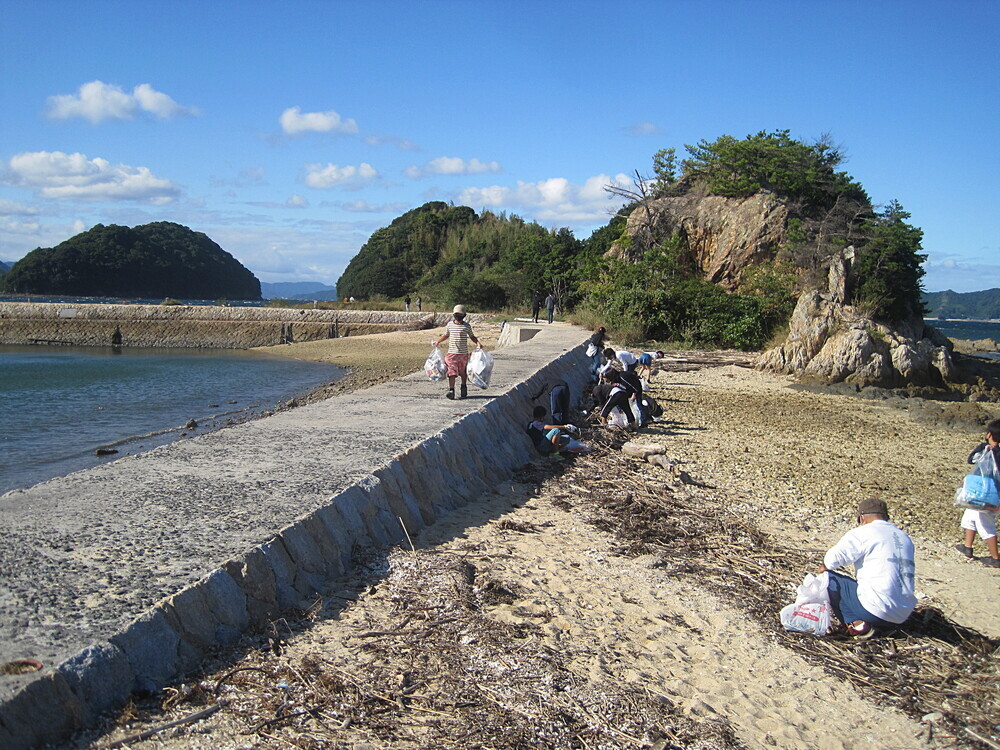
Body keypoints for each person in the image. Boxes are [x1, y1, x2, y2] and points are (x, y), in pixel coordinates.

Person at [818, 498, 917, 639]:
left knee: (828, 579)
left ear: (862, 518)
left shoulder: (865, 532)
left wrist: (824, 568)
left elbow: (832, 560)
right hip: (902, 615)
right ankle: (877, 627)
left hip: (875, 610)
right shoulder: (904, 538)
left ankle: (856, 625)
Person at [955, 418, 1000, 568]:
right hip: (992, 493)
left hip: (982, 493)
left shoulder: (985, 451)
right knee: (969, 516)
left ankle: (995, 557)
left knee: (985, 524)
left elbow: (971, 460)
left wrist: (984, 445)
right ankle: (967, 547)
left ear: (989, 434)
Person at [433, 304, 481, 399]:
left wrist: (478, 343)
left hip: (463, 354)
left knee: (463, 373)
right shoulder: (450, 325)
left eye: (460, 314)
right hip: (452, 354)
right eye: (456, 314)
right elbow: (446, 335)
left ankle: (463, 386)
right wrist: (438, 341)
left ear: (464, 315)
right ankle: (452, 390)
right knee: (451, 372)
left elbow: (472, 336)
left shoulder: (467, 326)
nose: (458, 316)